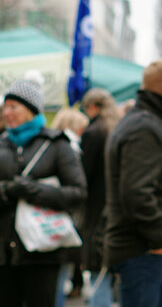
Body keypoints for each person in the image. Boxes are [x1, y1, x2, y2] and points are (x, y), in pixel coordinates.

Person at [103, 58, 162, 307]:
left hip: (143, 246)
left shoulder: (147, 121)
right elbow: (136, 193)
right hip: (141, 248)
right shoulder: (146, 127)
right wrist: (160, 239)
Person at [0, 78, 87, 306]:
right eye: (5, 107)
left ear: (30, 109)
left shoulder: (57, 144)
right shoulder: (2, 144)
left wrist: (34, 191)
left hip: (42, 252)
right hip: (3, 254)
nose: (6, 113)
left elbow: (77, 193)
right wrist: (7, 190)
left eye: (13, 107)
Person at [79, 88, 121, 307]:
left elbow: (82, 175)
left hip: (96, 210)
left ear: (92, 107)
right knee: (111, 272)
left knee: (97, 271)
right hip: (117, 210)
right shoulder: (119, 129)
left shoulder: (93, 132)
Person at [51, 108, 89, 306]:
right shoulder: (70, 148)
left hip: (54, 215)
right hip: (64, 217)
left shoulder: (52, 145)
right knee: (59, 272)